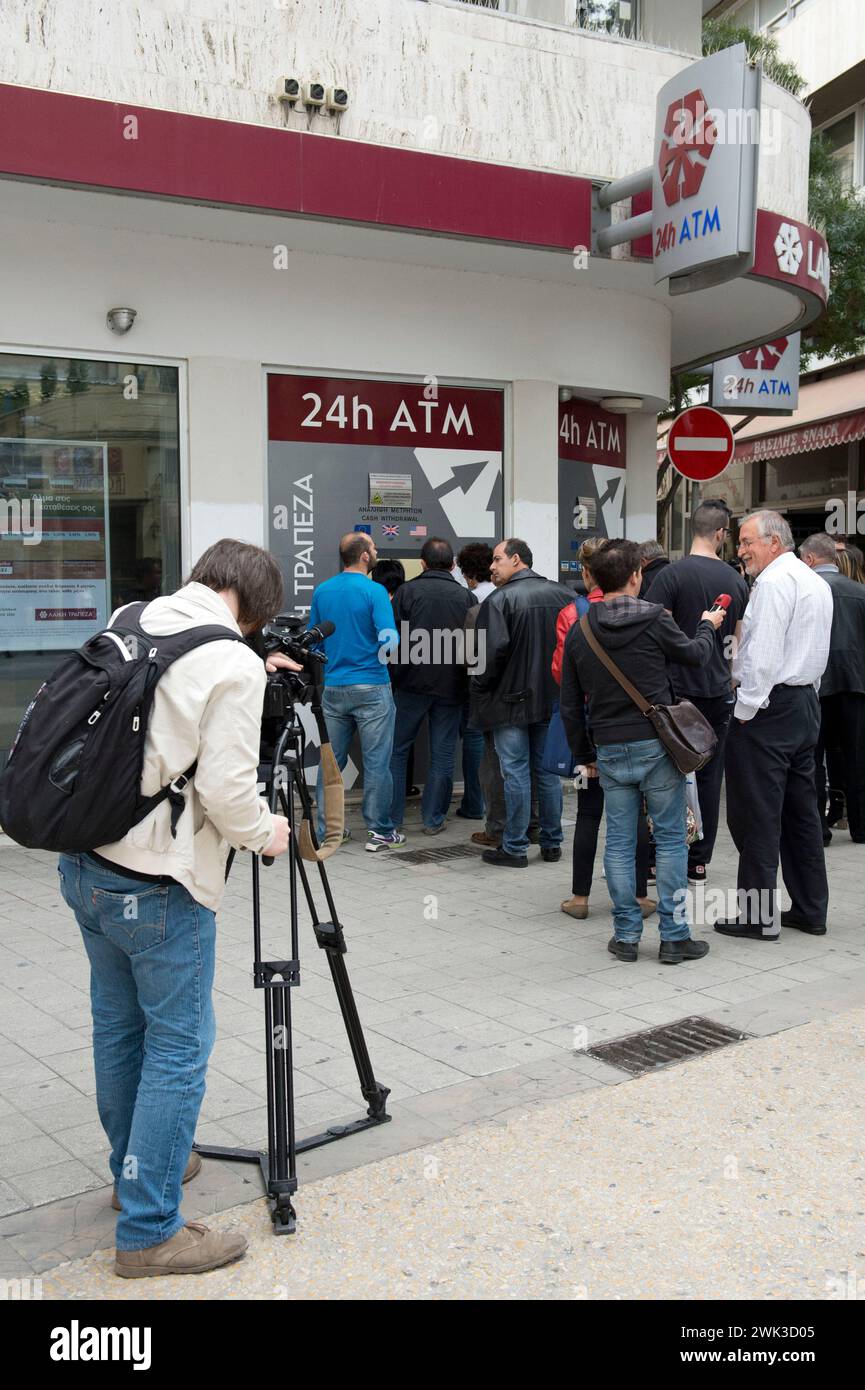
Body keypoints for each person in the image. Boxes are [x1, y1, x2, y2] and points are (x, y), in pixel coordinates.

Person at [57, 539, 294, 1277]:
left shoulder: (134, 617)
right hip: (160, 884)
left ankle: (139, 1167)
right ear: (253, 609)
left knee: (119, 1027)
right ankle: (149, 1230)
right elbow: (227, 794)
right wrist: (267, 834)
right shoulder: (233, 661)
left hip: (86, 863)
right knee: (178, 1050)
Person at [560, 538, 723, 963]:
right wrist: (708, 624)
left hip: (610, 748)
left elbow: (569, 703)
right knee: (670, 840)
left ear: (593, 577)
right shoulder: (656, 619)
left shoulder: (582, 629)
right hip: (656, 744)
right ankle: (674, 937)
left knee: (617, 842)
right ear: (636, 576)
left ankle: (627, 936)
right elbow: (695, 656)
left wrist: (585, 755)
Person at [717, 511, 832, 941]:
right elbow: (816, 651)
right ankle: (810, 909)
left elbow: (761, 658)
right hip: (802, 703)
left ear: (774, 542)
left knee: (757, 815)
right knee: (802, 813)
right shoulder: (813, 581)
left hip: (771, 705)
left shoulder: (773, 583)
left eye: (747, 541)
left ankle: (757, 916)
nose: (741, 550)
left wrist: (744, 711)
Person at [644, 499, 749, 887]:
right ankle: (698, 862)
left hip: (675, 691)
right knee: (709, 774)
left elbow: (654, 631)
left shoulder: (670, 577)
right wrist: (730, 678)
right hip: (717, 690)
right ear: (721, 533)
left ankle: (660, 856)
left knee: (667, 773)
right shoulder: (737, 581)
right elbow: (737, 640)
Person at [552, 537, 654, 922]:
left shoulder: (572, 614)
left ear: (586, 572)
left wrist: (582, 749)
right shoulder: (646, 612)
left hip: (591, 728)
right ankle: (640, 895)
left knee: (589, 813)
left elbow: (562, 675)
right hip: (636, 728)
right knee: (637, 813)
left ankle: (580, 898)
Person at [469, 538, 573, 867]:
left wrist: (479, 685)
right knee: (547, 773)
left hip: (510, 703)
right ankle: (551, 842)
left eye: (497, 560)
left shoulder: (500, 601)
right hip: (552, 700)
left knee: (514, 773)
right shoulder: (566, 595)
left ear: (516, 560)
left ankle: (514, 847)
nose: (491, 566)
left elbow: (488, 657)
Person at [309, 532, 404, 853]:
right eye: (374, 548)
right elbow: (389, 639)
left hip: (335, 686)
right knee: (377, 762)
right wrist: (383, 651)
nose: (376, 552)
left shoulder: (323, 591)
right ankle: (379, 831)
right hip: (372, 686)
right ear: (364, 556)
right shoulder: (375, 591)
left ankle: (328, 831)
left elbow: (315, 640)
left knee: (331, 763)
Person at [388, 537, 477, 834]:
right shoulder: (467, 597)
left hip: (410, 685)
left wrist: (397, 676)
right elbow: (473, 647)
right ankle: (433, 820)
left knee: (398, 751)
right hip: (452, 688)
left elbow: (395, 641)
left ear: (423, 563)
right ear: (452, 565)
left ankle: (392, 818)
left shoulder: (406, 592)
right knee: (443, 755)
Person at [800, 531, 865, 845]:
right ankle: (861, 826)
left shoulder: (806, 590)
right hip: (855, 685)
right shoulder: (860, 592)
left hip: (817, 684)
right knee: (857, 756)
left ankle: (819, 830)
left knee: (814, 758)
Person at [455, 543, 496, 819]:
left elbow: (466, 652)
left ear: (468, 573)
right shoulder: (505, 595)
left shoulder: (470, 601)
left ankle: (474, 803)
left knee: (473, 742)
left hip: (476, 684)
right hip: (506, 684)